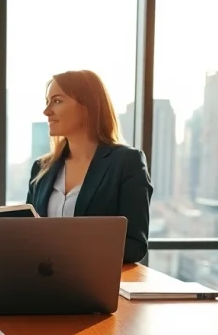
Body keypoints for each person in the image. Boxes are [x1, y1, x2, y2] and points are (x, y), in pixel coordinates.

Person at [25, 70, 153, 263]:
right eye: (47, 102)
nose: (47, 111)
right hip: (42, 283)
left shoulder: (127, 162)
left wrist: (66, 244)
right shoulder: (42, 168)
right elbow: (28, 236)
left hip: (95, 286)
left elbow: (135, 246)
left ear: (87, 106)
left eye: (57, 101)